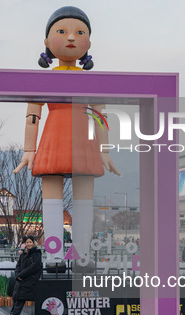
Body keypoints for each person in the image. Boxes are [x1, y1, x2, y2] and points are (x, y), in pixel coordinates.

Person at [13, 6, 119, 269]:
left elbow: (100, 116)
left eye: (79, 32)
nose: (71, 37)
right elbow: (33, 115)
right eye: (62, 31)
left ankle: (82, 254)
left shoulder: (94, 83)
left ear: (89, 42)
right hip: (54, 136)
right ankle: (54, 255)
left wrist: (104, 150)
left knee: (84, 198)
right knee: (52, 197)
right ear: (47, 42)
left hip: (83, 140)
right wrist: (29, 148)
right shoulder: (42, 81)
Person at [5, 236, 43, 315]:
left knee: (21, 295)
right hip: (22, 278)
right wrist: (18, 275)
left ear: (33, 243)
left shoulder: (37, 253)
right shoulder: (23, 254)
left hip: (30, 278)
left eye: (30, 242)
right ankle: (12, 313)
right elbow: (18, 266)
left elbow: (33, 267)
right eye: (27, 242)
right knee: (16, 294)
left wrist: (21, 275)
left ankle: (15, 314)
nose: (29, 244)